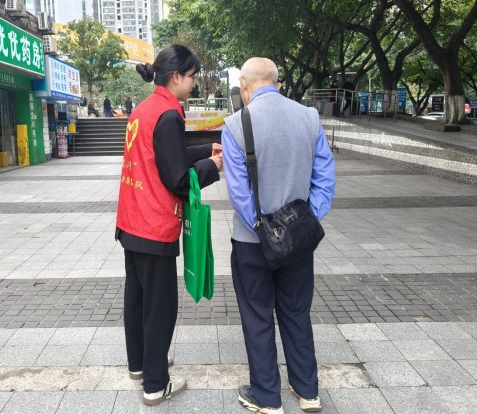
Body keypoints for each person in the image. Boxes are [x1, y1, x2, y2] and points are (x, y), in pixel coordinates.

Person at [221, 58, 335, 414]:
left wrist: (264, 230)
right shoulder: (309, 118)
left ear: (244, 86)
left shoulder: (236, 125)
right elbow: (325, 179)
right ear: (278, 84)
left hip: (252, 243)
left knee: (257, 317)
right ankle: (308, 391)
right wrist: (305, 221)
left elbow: (239, 194)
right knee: (297, 312)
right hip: (298, 242)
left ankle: (267, 397)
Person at [115, 44, 223, 407]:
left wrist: (206, 150)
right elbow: (177, 178)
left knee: (138, 299)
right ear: (176, 77)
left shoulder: (144, 109)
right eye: (192, 77)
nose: (194, 84)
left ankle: (141, 365)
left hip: (131, 221)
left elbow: (163, 156)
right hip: (153, 224)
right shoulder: (169, 113)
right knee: (160, 307)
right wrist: (213, 168)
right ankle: (155, 385)